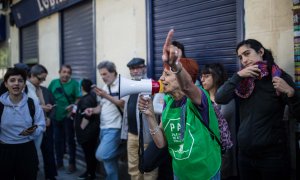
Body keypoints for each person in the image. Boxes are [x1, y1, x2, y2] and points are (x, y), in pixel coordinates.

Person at [138, 29, 221, 179]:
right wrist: (150, 116)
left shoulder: (199, 97)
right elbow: (161, 143)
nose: (161, 79)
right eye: (163, 74)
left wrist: (175, 65)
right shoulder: (169, 102)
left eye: (167, 75)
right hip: (181, 173)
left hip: (206, 173)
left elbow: (188, 87)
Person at [215, 39, 300, 180]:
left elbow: (298, 114)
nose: (244, 60)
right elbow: (220, 97)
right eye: (240, 57)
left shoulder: (278, 77)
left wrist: (291, 92)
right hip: (245, 156)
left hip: (272, 157)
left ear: (260, 52)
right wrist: (238, 76)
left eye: (247, 54)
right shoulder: (242, 82)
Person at [0, 67, 46, 179]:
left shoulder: (32, 103)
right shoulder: (0, 104)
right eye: (12, 80)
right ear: (6, 84)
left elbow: (41, 125)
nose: (16, 83)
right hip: (4, 151)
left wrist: (33, 131)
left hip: (27, 150)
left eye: (20, 81)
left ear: (24, 84)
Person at [84, 61, 125, 180]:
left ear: (113, 72)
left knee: (101, 155)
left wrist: (105, 95)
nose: (102, 77)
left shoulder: (122, 84)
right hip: (103, 127)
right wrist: (92, 110)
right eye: (101, 74)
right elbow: (101, 107)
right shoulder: (105, 86)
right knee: (109, 162)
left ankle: (124, 151)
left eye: (105, 74)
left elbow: (123, 104)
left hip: (115, 127)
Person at [120, 57, 158, 180]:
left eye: (138, 68)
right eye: (132, 69)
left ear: (144, 68)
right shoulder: (129, 85)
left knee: (149, 170)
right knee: (133, 169)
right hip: (132, 135)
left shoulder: (152, 85)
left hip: (148, 136)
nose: (135, 71)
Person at [201, 63, 238, 180]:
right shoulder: (202, 96)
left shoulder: (226, 98)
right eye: (201, 76)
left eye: (206, 76)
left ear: (216, 77)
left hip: (223, 150)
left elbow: (222, 118)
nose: (202, 79)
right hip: (205, 150)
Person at [27, 64, 58, 180]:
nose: (42, 81)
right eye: (40, 79)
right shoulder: (24, 88)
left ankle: (50, 175)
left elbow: (53, 106)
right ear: (31, 75)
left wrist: (49, 116)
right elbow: (23, 108)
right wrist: (41, 108)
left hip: (46, 126)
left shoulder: (43, 89)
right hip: (32, 128)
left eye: (44, 79)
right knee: (31, 156)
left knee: (48, 152)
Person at [48, 64, 80, 173]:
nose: (66, 74)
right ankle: (59, 162)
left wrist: (73, 108)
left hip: (68, 117)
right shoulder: (54, 83)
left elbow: (78, 98)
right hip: (55, 116)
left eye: (68, 73)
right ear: (59, 72)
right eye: (64, 72)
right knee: (57, 140)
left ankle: (72, 164)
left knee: (70, 140)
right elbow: (48, 96)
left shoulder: (74, 84)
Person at [75, 79, 100, 180]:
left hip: (87, 133)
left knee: (89, 154)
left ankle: (90, 174)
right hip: (91, 132)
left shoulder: (85, 99)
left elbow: (87, 115)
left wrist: (81, 128)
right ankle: (89, 172)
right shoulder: (91, 97)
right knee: (89, 153)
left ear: (81, 88)